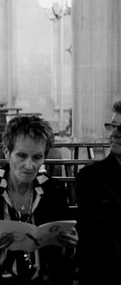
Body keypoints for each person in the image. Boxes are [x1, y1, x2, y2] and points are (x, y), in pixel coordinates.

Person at [0, 115, 78, 285]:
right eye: (22, 155)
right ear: (6, 152)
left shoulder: (53, 190)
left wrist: (70, 245)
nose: (29, 165)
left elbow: (64, 257)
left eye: (37, 157)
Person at [76, 99, 121, 285]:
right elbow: (95, 239)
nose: (114, 133)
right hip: (106, 271)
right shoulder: (90, 177)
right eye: (112, 126)